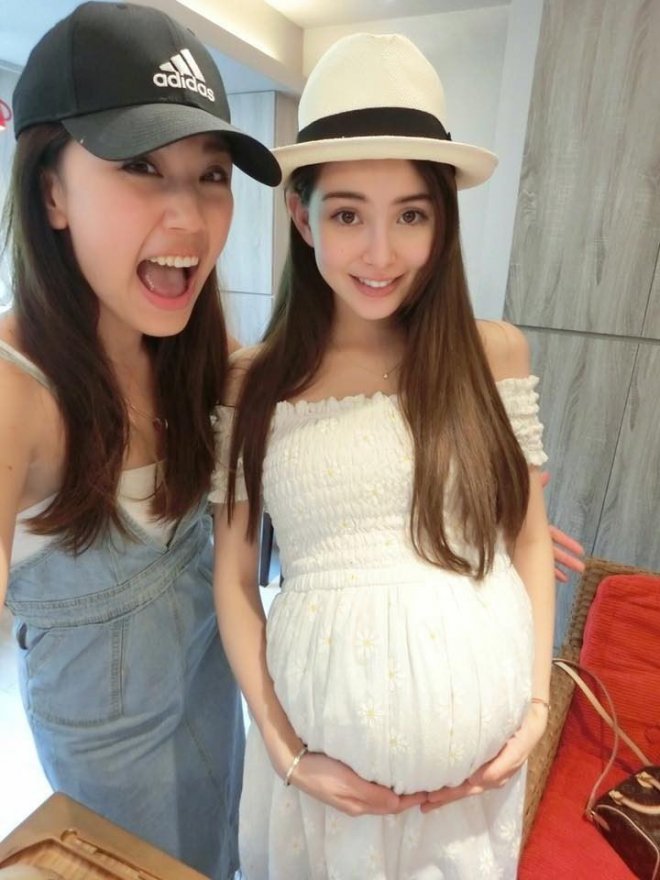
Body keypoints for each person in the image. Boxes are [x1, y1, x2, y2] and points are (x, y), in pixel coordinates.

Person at [212, 32, 557, 878]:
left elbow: (527, 537)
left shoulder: (494, 355)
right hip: (318, 783)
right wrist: (285, 748)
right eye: (347, 215)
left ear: (442, 220)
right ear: (302, 217)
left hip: (473, 796)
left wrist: (537, 703)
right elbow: (233, 578)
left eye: (410, 214)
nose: (380, 253)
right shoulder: (255, 382)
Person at [0, 3, 280, 879]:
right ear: (51, 191)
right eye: (140, 167)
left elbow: (303, 397)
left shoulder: (196, 350)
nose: (189, 218)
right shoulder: (15, 392)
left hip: (217, 691)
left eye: (211, 174)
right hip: (110, 761)